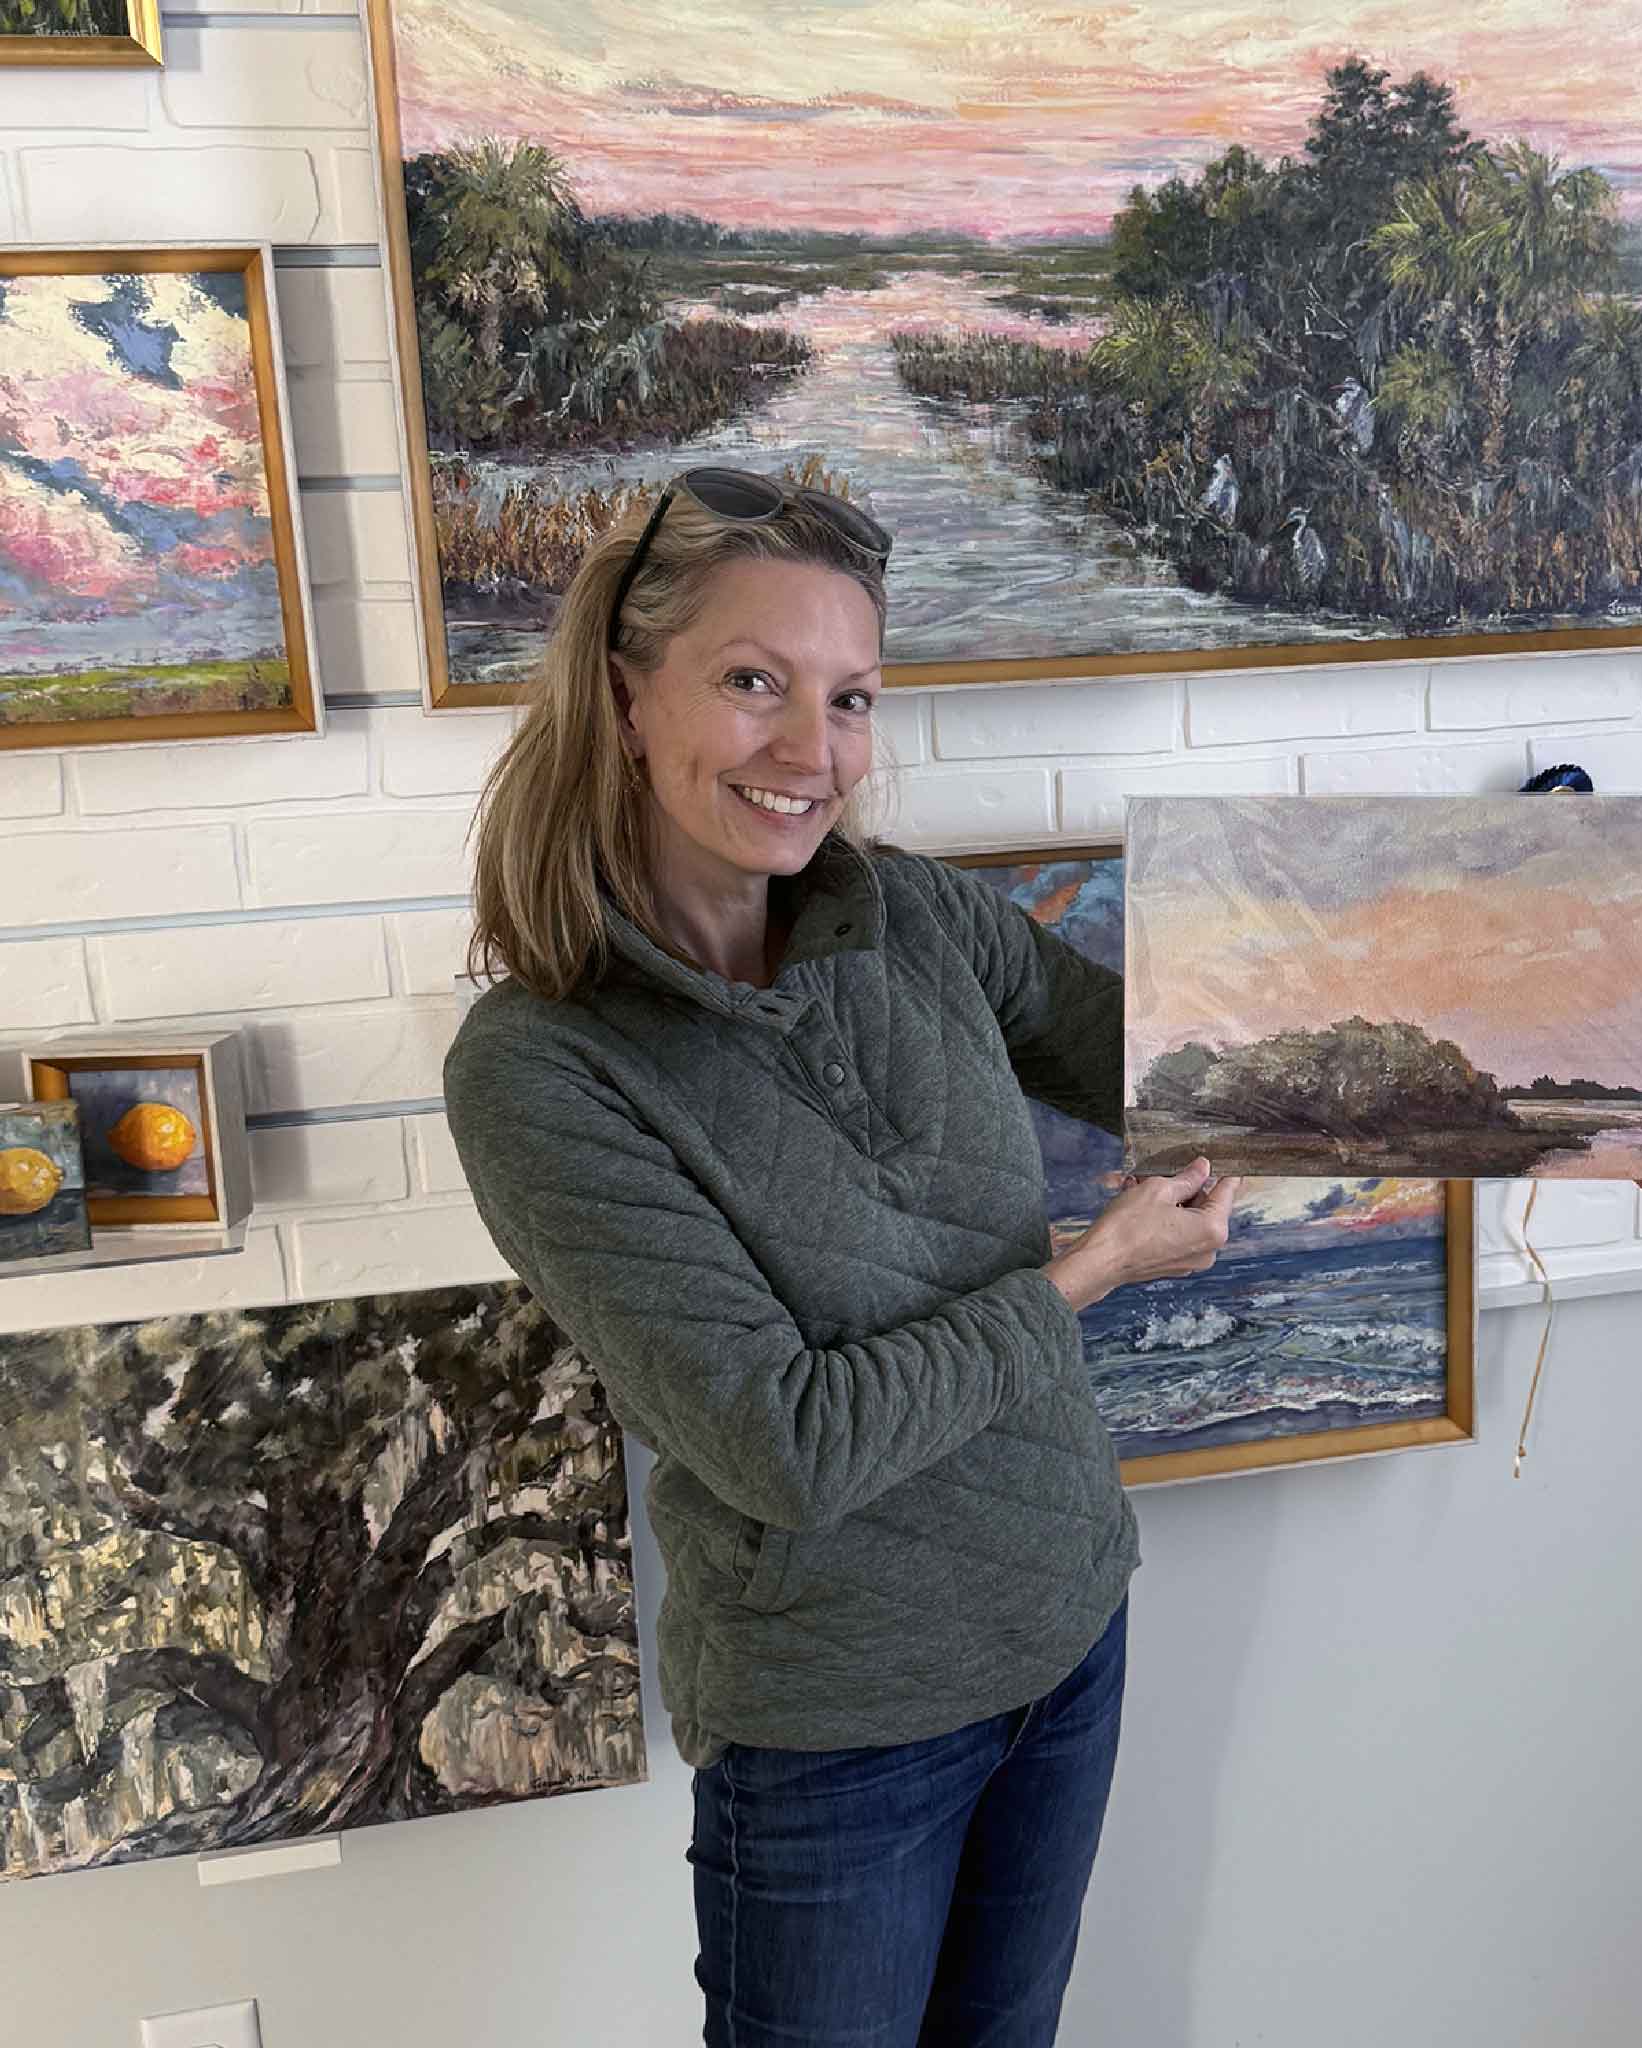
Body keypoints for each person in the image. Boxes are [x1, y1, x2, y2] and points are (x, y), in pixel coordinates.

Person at [442, 466, 1242, 2048]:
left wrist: (1575, 1097)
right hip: (841, 1731)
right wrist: (1088, 1273)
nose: (813, 754)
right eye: (755, 684)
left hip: (1066, 1629)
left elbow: (1181, 1060)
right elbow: (787, 1444)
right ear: (623, 695)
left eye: (852, 699)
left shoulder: (918, 921)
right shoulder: (543, 1069)